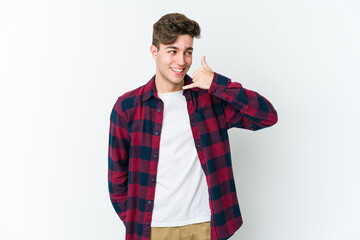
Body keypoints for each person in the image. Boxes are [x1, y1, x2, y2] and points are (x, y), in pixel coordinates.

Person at [108, 12, 278, 240]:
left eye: (188, 52)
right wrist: (135, 219)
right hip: (154, 227)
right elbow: (117, 178)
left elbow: (267, 116)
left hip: (206, 224)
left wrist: (218, 83)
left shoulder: (209, 98)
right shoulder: (127, 107)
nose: (181, 61)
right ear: (154, 52)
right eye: (172, 51)